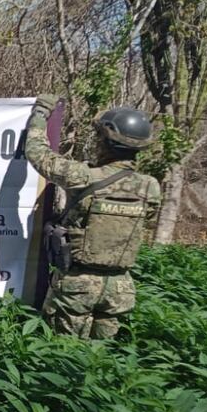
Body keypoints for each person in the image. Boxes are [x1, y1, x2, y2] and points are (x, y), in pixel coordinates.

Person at [25, 95, 161, 339]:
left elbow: (38, 154)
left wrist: (40, 114)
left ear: (106, 142)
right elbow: (147, 219)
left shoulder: (85, 176)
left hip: (77, 284)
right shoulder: (150, 187)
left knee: (62, 353)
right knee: (102, 358)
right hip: (120, 288)